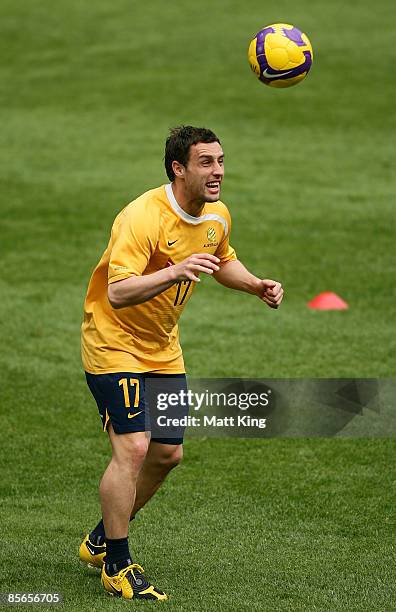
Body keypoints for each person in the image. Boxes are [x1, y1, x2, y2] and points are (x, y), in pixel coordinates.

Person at [79, 125, 283, 601]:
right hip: (113, 341)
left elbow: (221, 257)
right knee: (132, 446)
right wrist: (174, 270)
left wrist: (255, 285)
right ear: (179, 168)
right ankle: (117, 562)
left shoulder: (216, 216)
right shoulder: (142, 216)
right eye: (207, 163)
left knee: (168, 453)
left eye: (221, 161)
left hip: (162, 346)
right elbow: (117, 290)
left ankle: (100, 537)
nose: (218, 172)